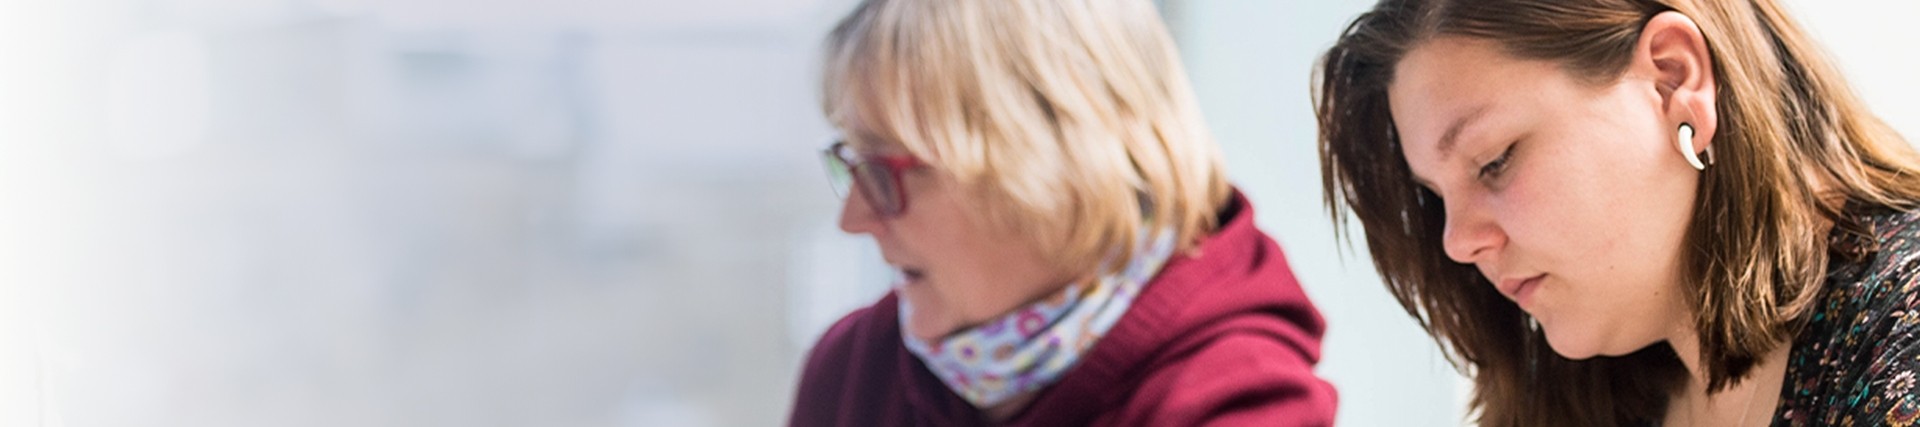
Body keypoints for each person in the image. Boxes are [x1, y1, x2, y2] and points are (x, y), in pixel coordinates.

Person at [1316, 0, 1920, 425]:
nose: (1456, 242)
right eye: (1435, 194)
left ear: (1672, 78)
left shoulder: (1902, 330)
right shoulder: (1595, 390)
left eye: (1494, 161)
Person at [786, 0, 1338, 425]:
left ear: (1051, 169)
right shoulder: (856, 368)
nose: (854, 218)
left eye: (886, 173)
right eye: (851, 165)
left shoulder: (1240, 403)